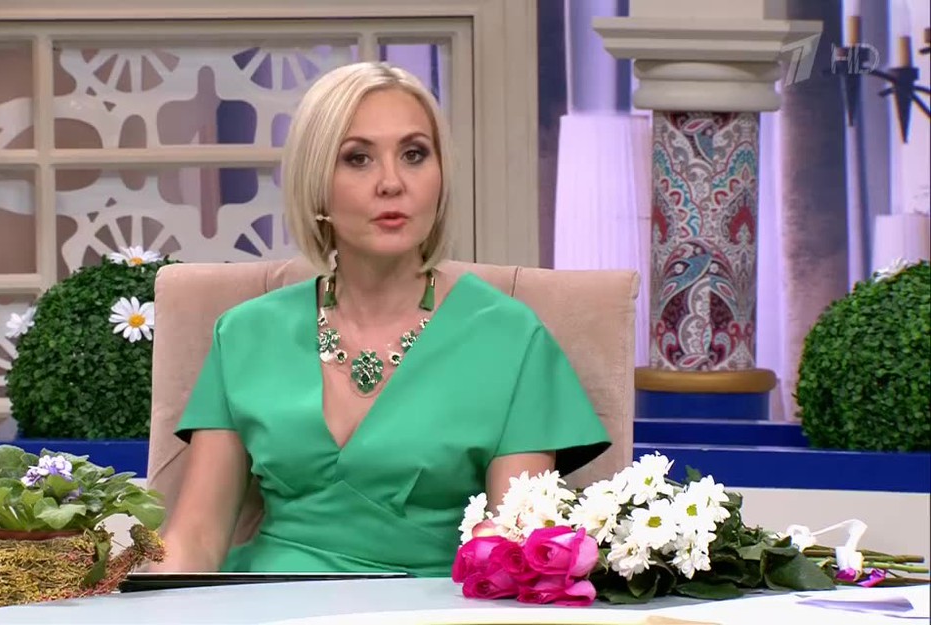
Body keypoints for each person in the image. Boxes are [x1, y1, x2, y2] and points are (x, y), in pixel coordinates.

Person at [155, 61, 609, 577]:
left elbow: (514, 554)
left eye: (414, 154)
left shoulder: (509, 338)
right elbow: (196, 536)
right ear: (316, 181)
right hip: (270, 600)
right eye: (358, 158)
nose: (392, 183)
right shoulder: (244, 334)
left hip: (435, 606)